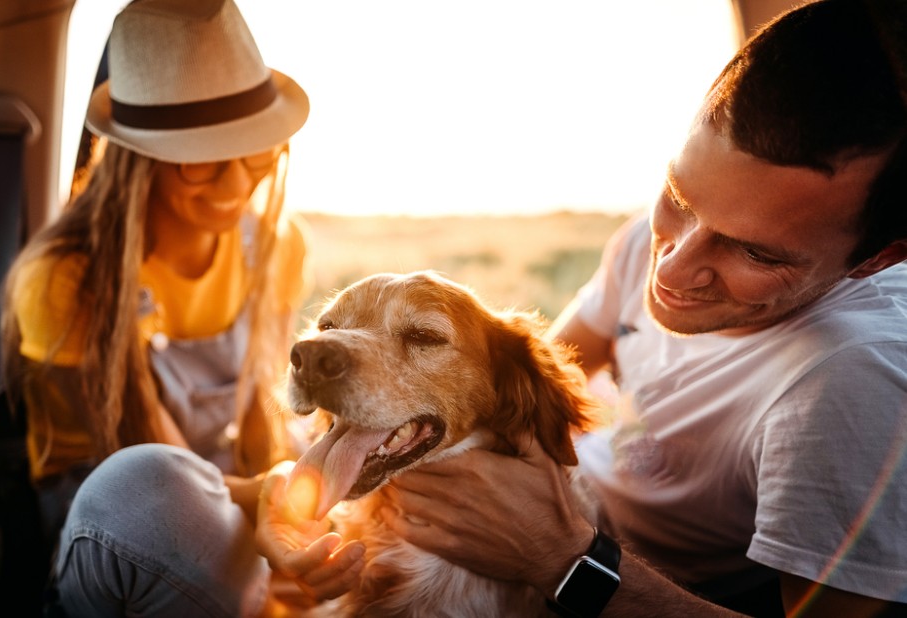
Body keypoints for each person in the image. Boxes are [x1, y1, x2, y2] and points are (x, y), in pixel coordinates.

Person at [369, 0, 907, 616]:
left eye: (755, 253)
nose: (672, 268)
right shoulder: (647, 242)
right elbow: (535, 391)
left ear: (877, 259)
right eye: (678, 195)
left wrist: (563, 559)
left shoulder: (853, 380)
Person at [0, 0, 323, 613]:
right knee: (165, 494)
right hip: (120, 539)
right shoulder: (62, 279)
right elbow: (141, 486)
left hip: (244, 513)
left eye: (255, 151)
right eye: (200, 159)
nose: (236, 186)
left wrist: (298, 514)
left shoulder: (276, 246)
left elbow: (270, 416)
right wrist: (264, 507)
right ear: (137, 160)